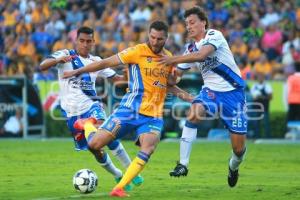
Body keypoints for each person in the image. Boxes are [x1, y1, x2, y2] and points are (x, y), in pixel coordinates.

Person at [63, 21, 193, 197]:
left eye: (159, 39)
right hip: (129, 110)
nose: (155, 42)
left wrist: (191, 98)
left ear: (166, 38)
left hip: (153, 115)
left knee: (149, 147)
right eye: (152, 37)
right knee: (94, 145)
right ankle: (87, 125)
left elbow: (168, 85)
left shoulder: (168, 58)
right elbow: (105, 63)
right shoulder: (136, 51)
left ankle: (119, 188)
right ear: (148, 35)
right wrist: (75, 71)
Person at [39, 26, 143, 191]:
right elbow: (43, 65)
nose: (85, 44)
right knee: (95, 148)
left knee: (106, 132)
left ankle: (133, 172)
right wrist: (58, 60)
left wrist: (130, 73)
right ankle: (117, 174)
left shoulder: (96, 61)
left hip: (92, 105)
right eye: (82, 41)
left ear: (93, 42)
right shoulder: (65, 55)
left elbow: (116, 78)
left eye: (89, 41)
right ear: (76, 41)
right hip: (72, 115)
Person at [158, 6, 247, 188]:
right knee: (194, 112)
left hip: (234, 94)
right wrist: (164, 74)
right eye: (186, 24)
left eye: (192, 23)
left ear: (203, 23)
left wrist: (172, 60)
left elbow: (202, 54)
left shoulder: (214, 35)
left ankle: (233, 166)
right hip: (211, 92)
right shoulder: (189, 48)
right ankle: (183, 164)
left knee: (238, 150)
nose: (188, 27)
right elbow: (176, 78)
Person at [250, 72, 272, 138]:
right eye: (259, 77)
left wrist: (261, 97)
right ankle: (257, 136)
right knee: (256, 124)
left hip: (265, 108)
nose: (260, 78)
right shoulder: (254, 86)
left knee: (266, 124)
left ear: (263, 78)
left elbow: (270, 97)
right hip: (256, 108)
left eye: (261, 77)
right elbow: (252, 97)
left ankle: (267, 137)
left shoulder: (267, 86)